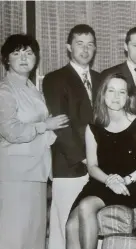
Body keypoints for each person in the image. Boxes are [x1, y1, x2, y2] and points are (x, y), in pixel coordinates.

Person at [65, 73, 136, 249]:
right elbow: (92, 166)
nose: (116, 97)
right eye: (111, 91)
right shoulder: (93, 127)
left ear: (128, 97)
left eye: (122, 92)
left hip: (128, 185)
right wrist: (108, 180)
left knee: (86, 206)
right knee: (71, 226)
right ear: (103, 95)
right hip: (99, 183)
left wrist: (125, 180)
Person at [0, 34, 68, 249]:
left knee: (34, 237)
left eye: (29, 53)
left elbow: (44, 128)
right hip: (15, 175)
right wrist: (45, 126)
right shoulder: (5, 90)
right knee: (14, 237)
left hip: (37, 171)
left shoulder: (31, 88)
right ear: (6, 59)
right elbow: (10, 130)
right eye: (16, 53)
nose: (23, 58)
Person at [42, 24, 101, 249]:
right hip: (70, 166)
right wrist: (86, 159)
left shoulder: (100, 78)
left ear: (95, 49)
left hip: (98, 167)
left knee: (88, 228)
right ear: (69, 47)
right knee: (64, 226)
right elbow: (61, 127)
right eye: (79, 44)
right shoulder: (55, 79)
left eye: (90, 45)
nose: (85, 50)